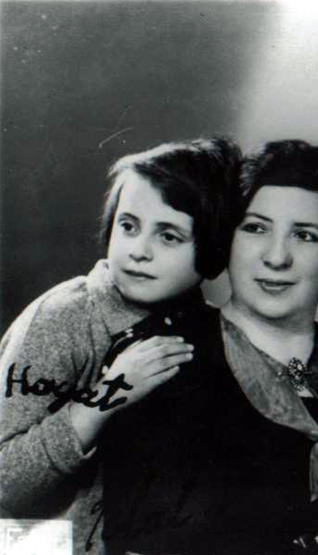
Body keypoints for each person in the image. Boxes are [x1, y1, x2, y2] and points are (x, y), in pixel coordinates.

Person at [99, 139, 318, 555]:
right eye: (255, 228)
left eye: (305, 236)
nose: (277, 257)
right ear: (224, 239)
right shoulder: (163, 362)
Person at [0, 137, 242, 555]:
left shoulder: (209, 329)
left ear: (213, 251)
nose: (138, 251)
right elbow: (4, 481)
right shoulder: (64, 316)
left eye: (168, 236)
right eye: (128, 226)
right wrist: (106, 396)